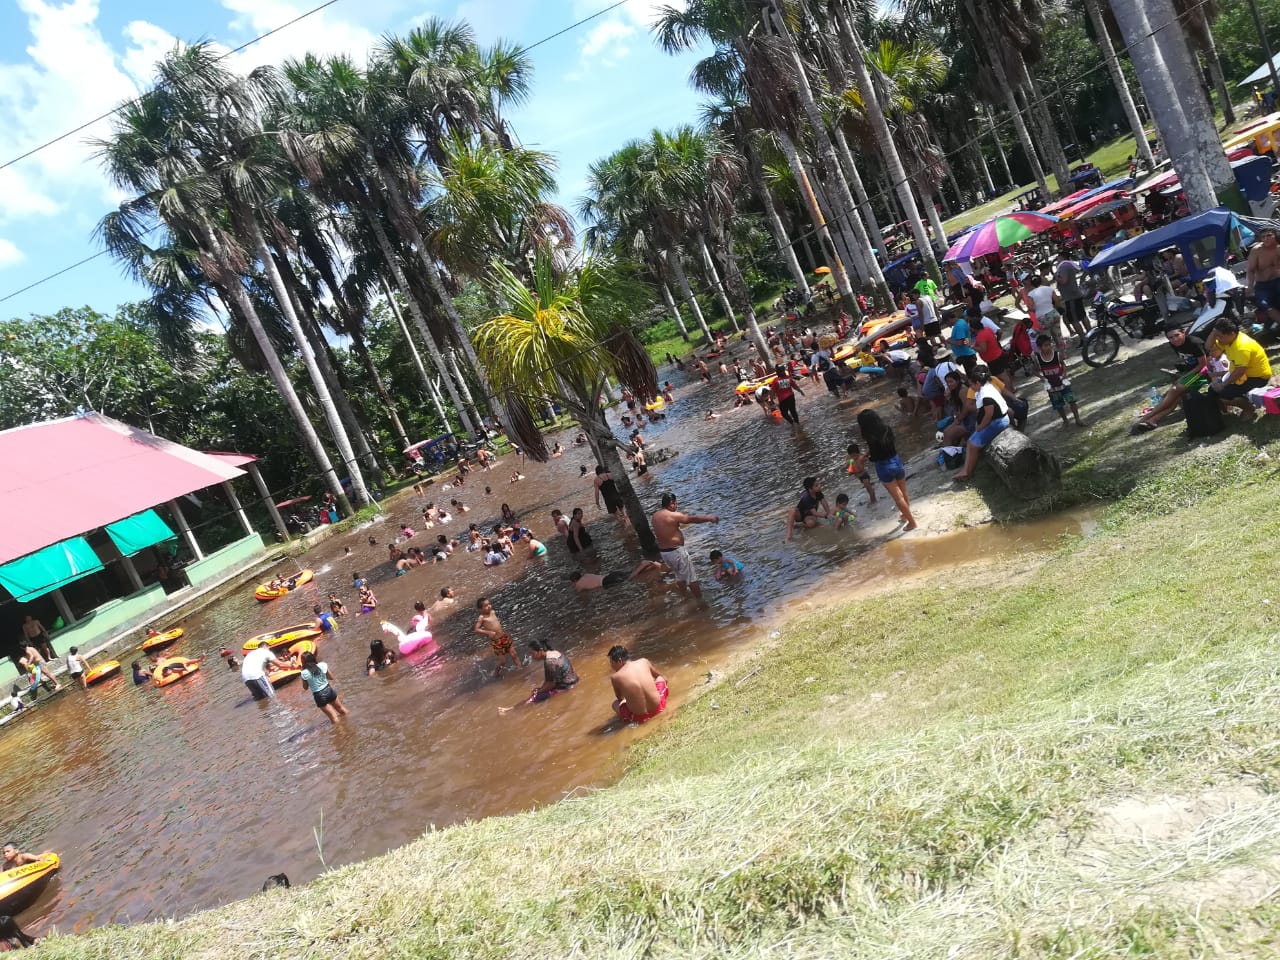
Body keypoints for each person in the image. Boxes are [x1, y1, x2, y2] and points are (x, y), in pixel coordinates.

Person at [1133, 325, 1213, 432]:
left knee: (1174, 391)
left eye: (1177, 335)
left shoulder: (1195, 343)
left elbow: (1204, 365)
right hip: (1190, 372)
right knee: (1177, 396)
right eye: (1170, 337)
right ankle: (1153, 420)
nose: (1174, 339)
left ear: (1183, 333)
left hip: (1203, 373)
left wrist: (1184, 377)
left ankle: (1145, 418)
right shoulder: (1174, 344)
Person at [856, 409, 917, 531]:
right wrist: (870, 454)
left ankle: (912, 522)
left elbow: (875, 456)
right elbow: (886, 447)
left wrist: (866, 457)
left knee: (897, 497)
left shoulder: (870, 437)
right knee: (903, 492)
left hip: (884, 467)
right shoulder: (887, 429)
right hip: (896, 461)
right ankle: (906, 515)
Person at [652, 492, 719, 599]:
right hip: (676, 552)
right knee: (692, 578)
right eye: (675, 503)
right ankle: (700, 602)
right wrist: (709, 518)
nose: (676, 506)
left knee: (679, 576)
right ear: (672, 504)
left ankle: (685, 598)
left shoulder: (655, 516)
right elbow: (693, 519)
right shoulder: (673, 515)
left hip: (665, 553)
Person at [953, 366, 1011, 481]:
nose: (971, 387)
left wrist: (980, 427)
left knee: (973, 444)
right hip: (995, 420)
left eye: (971, 385)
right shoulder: (986, 387)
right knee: (970, 442)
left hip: (998, 422)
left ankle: (967, 473)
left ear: (978, 383)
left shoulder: (986, 396)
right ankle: (966, 469)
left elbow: (989, 414)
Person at [1207, 317, 1272, 419]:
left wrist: (1224, 384)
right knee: (1212, 390)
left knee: (1225, 393)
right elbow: (1208, 347)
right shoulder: (1228, 340)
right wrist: (1213, 332)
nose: (1217, 339)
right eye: (1216, 336)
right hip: (1241, 374)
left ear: (1231, 333)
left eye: (1220, 336)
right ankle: (1223, 413)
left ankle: (1249, 409)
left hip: (1258, 377)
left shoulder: (1242, 346)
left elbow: (1240, 371)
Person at [1033, 333, 1084, 427]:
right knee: (1058, 405)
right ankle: (1065, 420)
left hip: (1062, 383)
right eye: (1045, 345)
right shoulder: (1038, 359)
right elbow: (1035, 371)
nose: (1048, 347)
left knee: (1072, 400)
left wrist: (1064, 374)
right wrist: (1042, 378)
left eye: (1049, 344)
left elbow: (1063, 364)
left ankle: (1077, 419)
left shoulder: (1056, 355)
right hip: (1052, 386)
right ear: (1039, 347)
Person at [609, 645, 668, 724]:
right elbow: (660, 677)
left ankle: (626, 722)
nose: (612, 666)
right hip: (659, 708)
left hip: (638, 718)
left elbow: (620, 698)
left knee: (615, 704)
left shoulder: (615, 677)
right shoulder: (644, 661)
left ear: (619, 661)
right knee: (660, 678)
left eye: (612, 663)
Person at [475, 597, 522, 677]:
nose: (489, 606)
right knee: (502, 661)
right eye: (486, 606)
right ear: (480, 609)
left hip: (504, 637)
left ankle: (520, 669)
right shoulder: (482, 617)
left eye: (489, 604)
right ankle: (496, 673)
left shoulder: (493, 612)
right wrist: (488, 632)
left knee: (514, 654)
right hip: (496, 641)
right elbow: (476, 629)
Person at [1246, 227, 1280, 329]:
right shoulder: (1256, 251)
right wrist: (1250, 286)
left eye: (1269, 235)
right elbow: (1251, 270)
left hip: (1278, 281)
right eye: (1263, 237)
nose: (1266, 238)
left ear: (1275, 236)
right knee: (1264, 305)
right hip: (1263, 285)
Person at [570, 560, 666, 591]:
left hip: (606, 582)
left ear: (574, 581)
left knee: (630, 578)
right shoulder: (586, 575)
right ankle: (650, 566)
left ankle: (644, 565)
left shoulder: (578, 584)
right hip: (609, 575)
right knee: (630, 574)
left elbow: (581, 593)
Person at [785, 476, 830, 541]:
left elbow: (824, 503)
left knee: (811, 524)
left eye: (819, 484)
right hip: (800, 515)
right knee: (792, 510)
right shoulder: (806, 497)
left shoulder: (818, 492)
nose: (819, 486)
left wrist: (828, 512)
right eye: (816, 485)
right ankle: (789, 535)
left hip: (809, 515)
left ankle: (799, 525)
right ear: (810, 489)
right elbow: (815, 513)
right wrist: (826, 515)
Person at [1054, 258, 1089, 338]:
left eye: (1058, 257)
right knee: (1082, 316)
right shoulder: (1068, 265)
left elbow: (1063, 281)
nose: (1057, 260)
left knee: (1074, 320)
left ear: (1061, 256)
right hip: (1074, 295)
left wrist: (1056, 277)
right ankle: (1090, 334)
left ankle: (1084, 338)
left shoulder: (1064, 266)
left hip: (1071, 297)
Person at [1024, 275, 1062, 340]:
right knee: (1058, 335)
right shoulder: (1049, 288)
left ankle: (1050, 349)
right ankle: (1062, 348)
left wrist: (1036, 309)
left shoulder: (1031, 294)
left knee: (1046, 338)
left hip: (1042, 317)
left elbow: (1030, 308)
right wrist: (1054, 308)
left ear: (1031, 283)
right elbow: (1057, 300)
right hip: (1053, 313)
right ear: (1041, 281)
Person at [771, 364, 805, 428]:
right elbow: (795, 386)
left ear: (777, 372)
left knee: (784, 413)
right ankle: (798, 423)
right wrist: (800, 391)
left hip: (783, 399)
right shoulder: (788, 378)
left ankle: (792, 423)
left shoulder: (776, 380)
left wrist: (772, 399)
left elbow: (772, 391)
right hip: (791, 397)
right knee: (793, 411)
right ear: (783, 371)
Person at [948, 310, 978, 375]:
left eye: (946, 322)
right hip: (966, 354)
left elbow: (960, 343)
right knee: (974, 374)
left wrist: (950, 341)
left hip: (967, 356)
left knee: (973, 376)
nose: (947, 324)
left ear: (949, 319)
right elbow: (965, 338)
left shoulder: (959, 326)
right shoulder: (961, 321)